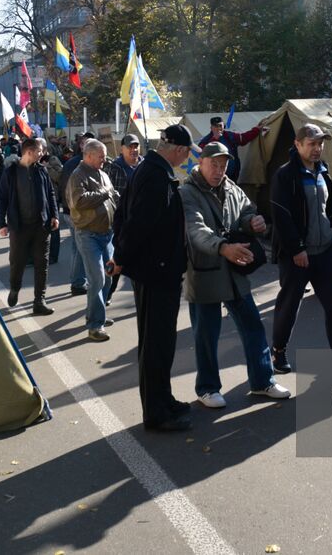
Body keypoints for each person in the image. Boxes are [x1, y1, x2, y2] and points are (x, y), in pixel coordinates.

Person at [180, 141, 289, 408]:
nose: (219, 171)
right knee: (206, 334)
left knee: (253, 326)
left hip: (234, 268)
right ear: (201, 163)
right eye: (214, 165)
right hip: (205, 271)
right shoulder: (187, 193)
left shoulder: (231, 187)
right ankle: (207, 388)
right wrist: (222, 248)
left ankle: (263, 381)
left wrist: (253, 221)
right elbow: (195, 230)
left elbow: (246, 211)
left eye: (223, 165)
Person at [113, 124, 195, 432]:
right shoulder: (155, 175)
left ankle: (163, 399)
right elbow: (137, 223)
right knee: (156, 344)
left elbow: (123, 214)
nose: (186, 159)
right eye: (187, 154)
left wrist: (123, 255)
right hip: (156, 271)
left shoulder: (150, 169)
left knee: (162, 341)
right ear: (179, 150)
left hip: (158, 270)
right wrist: (121, 257)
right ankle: (156, 412)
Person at [269, 122, 332, 377]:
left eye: (320, 144)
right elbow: (281, 216)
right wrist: (297, 249)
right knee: (289, 305)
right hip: (297, 256)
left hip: (325, 251)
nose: (317, 149)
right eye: (312, 144)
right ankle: (279, 351)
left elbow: (331, 205)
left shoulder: (322, 171)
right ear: (297, 144)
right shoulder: (285, 175)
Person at [0, 137, 59, 315]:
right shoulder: (11, 172)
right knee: (17, 262)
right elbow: (2, 199)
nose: (42, 153)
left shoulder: (41, 170)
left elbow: (50, 193)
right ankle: (15, 288)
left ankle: (39, 301)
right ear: (29, 152)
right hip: (19, 227)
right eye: (39, 151)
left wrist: (54, 215)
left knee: (42, 263)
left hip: (41, 226)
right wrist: (1, 224)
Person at [68, 138, 118, 341]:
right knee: (97, 278)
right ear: (88, 155)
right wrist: (106, 192)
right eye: (101, 157)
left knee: (108, 275)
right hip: (88, 233)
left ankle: (99, 314)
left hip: (107, 233)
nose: (104, 160)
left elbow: (112, 196)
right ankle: (95, 325)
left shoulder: (103, 173)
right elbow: (79, 201)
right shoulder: (77, 175)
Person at [198, 116, 267, 182]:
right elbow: (201, 153)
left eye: (220, 126)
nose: (218, 128)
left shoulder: (229, 136)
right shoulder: (206, 140)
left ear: (224, 126)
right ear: (211, 128)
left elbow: (244, 138)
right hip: (214, 176)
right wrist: (214, 139)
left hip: (232, 176)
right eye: (216, 126)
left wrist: (256, 130)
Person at [60, 133, 89, 285]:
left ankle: (76, 279)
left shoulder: (74, 163)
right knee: (79, 247)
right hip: (75, 212)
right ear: (81, 145)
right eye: (86, 143)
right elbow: (68, 190)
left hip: (70, 211)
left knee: (76, 247)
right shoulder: (76, 164)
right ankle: (78, 281)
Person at [106, 134, 142, 200]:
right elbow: (108, 192)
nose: (134, 150)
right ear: (121, 149)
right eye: (130, 147)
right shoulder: (113, 168)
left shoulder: (146, 166)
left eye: (136, 147)